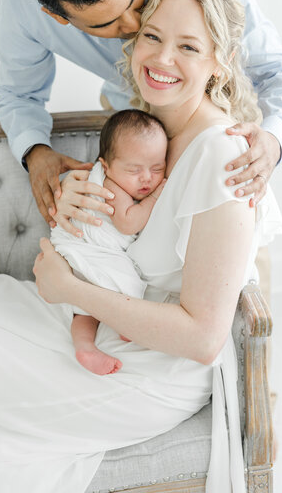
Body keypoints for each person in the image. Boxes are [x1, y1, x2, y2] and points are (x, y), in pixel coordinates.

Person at [0, 0, 282, 493]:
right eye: (153, 37)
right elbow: (126, 234)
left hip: (151, 372)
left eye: (188, 46)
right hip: (106, 321)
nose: (162, 59)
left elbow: (203, 339)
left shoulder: (224, 157)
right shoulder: (154, 130)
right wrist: (78, 204)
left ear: (219, 63)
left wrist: (70, 288)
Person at [0, 0, 282, 229]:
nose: (134, 25)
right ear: (58, 17)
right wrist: (35, 150)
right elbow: (17, 93)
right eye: (108, 23)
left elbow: (279, 73)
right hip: (132, 127)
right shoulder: (22, 6)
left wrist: (273, 141)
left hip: (220, 123)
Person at [51, 109, 168, 376]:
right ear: (105, 167)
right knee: (126, 284)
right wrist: (154, 199)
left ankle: (84, 347)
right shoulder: (111, 187)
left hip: (81, 254)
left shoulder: (122, 177)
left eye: (157, 168)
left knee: (84, 312)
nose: (147, 178)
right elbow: (128, 222)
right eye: (134, 170)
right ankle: (127, 325)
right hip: (90, 250)